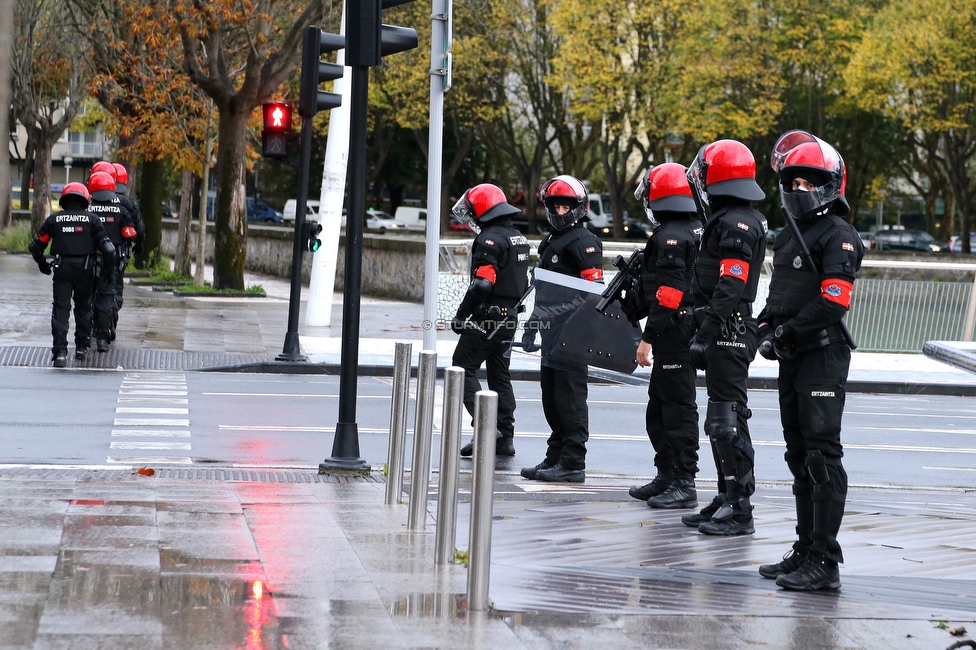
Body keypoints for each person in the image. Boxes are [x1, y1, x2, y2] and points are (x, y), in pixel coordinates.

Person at [756, 131, 863, 591]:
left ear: (830, 183)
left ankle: (826, 560)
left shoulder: (840, 235)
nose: (799, 188)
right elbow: (779, 297)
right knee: (799, 454)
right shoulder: (787, 236)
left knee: (822, 455)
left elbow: (833, 302)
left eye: (809, 181)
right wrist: (763, 326)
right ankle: (804, 547)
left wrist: (786, 332)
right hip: (793, 353)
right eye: (793, 180)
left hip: (821, 354)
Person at [682, 140, 768, 535]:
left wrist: (706, 331)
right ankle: (726, 494)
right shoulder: (731, 217)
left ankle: (740, 508)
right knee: (720, 416)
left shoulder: (737, 223)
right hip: (723, 326)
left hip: (729, 328)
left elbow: (731, 284)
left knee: (727, 419)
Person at [520, 175, 604, 483]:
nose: (559, 211)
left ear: (579, 207)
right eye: (554, 205)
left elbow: (594, 293)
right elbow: (543, 290)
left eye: (565, 205)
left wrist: (576, 330)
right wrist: (532, 327)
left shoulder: (584, 242)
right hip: (551, 333)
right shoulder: (551, 241)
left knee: (569, 398)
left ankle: (572, 461)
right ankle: (555, 455)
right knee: (551, 397)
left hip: (573, 333)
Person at [629, 163, 703, 509]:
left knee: (677, 407)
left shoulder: (671, 237)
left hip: (675, 329)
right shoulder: (694, 230)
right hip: (680, 326)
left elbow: (670, 293)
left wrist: (648, 338)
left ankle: (683, 481)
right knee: (660, 406)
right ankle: (667, 474)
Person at [450, 184, 530, 458]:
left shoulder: (488, 240)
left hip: (486, 319)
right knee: (500, 375)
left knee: (462, 368)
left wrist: (461, 315)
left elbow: (483, 283)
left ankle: (486, 429)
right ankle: (505, 437)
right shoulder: (518, 238)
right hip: (509, 319)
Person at [27, 183, 116, 367]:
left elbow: (36, 246)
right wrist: (108, 272)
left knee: (61, 308)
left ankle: (60, 352)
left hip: (62, 269)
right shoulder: (92, 220)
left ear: (64, 200)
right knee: (84, 308)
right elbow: (108, 250)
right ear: (84, 200)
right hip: (85, 270)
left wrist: (43, 265)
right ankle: (82, 348)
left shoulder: (54, 220)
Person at [87, 170, 138, 352]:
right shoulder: (123, 207)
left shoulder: (86, 207)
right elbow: (132, 233)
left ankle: (88, 334)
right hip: (115, 257)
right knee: (110, 292)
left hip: (89, 258)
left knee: (88, 294)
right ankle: (106, 327)